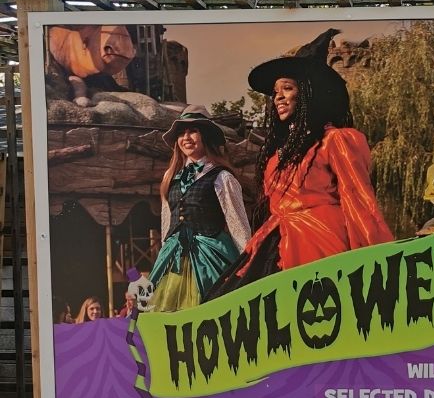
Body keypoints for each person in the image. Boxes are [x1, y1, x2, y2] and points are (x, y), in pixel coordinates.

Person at [226, 40, 392, 284]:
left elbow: (357, 199)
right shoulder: (276, 155)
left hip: (319, 240)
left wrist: (375, 259)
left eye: (287, 89)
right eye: (275, 92)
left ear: (307, 92)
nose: (278, 97)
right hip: (274, 242)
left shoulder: (335, 140)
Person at [148, 106, 251, 312]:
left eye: (193, 131)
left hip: (210, 254)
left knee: (213, 309)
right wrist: (165, 253)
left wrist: (248, 263)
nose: (186, 137)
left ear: (205, 136)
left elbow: (237, 223)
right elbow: (168, 221)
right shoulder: (171, 177)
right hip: (175, 255)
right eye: (181, 133)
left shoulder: (222, 177)